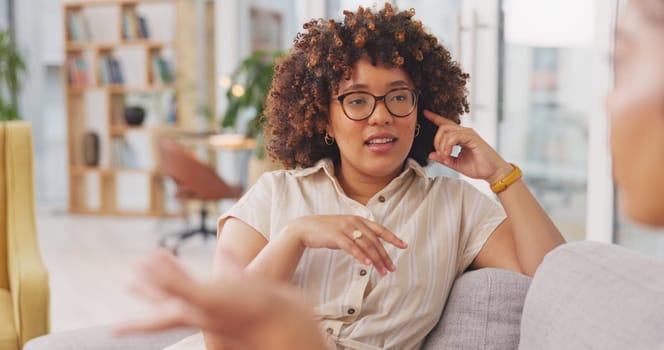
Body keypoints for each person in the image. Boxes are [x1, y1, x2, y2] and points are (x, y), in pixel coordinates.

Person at [118, 3, 566, 349]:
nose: (380, 117)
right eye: (356, 101)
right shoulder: (274, 195)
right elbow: (220, 335)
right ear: (323, 118)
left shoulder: (457, 206)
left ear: (420, 109)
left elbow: (555, 283)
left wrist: (501, 175)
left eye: (398, 98)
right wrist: (294, 237)